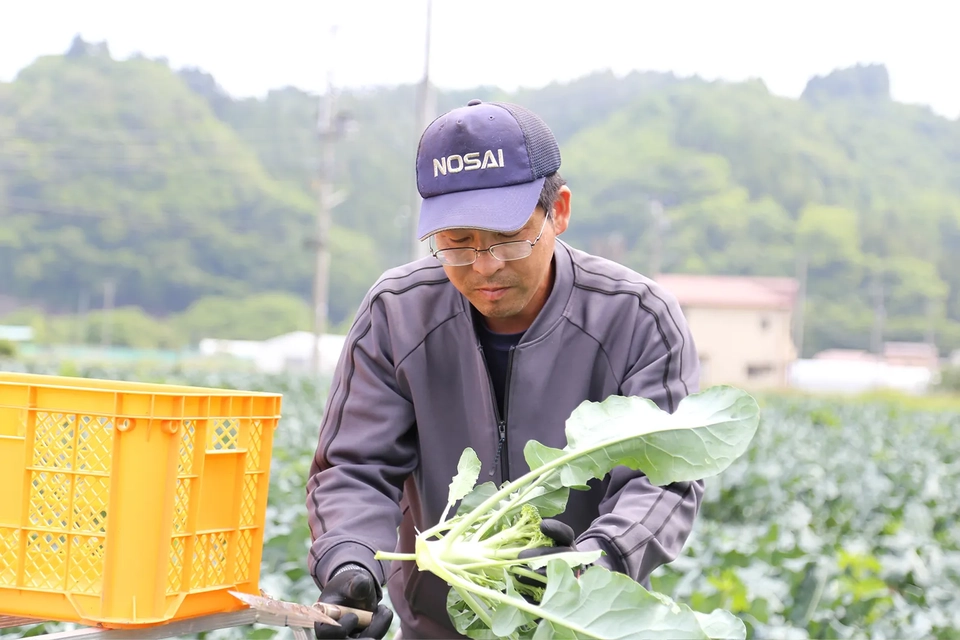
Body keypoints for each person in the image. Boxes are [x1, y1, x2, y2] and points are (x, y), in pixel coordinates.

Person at [306, 99, 703, 640]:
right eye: (457, 244)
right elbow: (355, 467)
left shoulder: (636, 318)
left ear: (558, 211)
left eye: (507, 239)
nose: (485, 266)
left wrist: (592, 563)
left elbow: (665, 480)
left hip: (578, 625)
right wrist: (350, 564)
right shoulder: (396, 315)